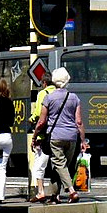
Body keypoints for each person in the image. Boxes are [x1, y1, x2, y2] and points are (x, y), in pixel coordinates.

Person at [31, 66, 87, 204]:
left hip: (55, 137)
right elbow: (79, 122)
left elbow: (41, 121)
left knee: (59, 165)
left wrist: (35, 136)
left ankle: (72, 191)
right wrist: (83, 141)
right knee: (61, 166)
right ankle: (54, 196)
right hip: (72, 137)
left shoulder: (49, 98)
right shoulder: (74, 98)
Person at [29, 73, 57, 202]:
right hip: (59, 134)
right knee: (57, 165)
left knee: (39, 165)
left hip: (44, 135)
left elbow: (39, 115)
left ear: (44, 83)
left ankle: (40, 191)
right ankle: (56, 194)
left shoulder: (43, 94)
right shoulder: (61, 94)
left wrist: (31, 120)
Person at [0, 78, 15, 203]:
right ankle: (0, 196)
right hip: (6, 136)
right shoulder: (9, 102)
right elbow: (11, 122)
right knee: (2, 168)